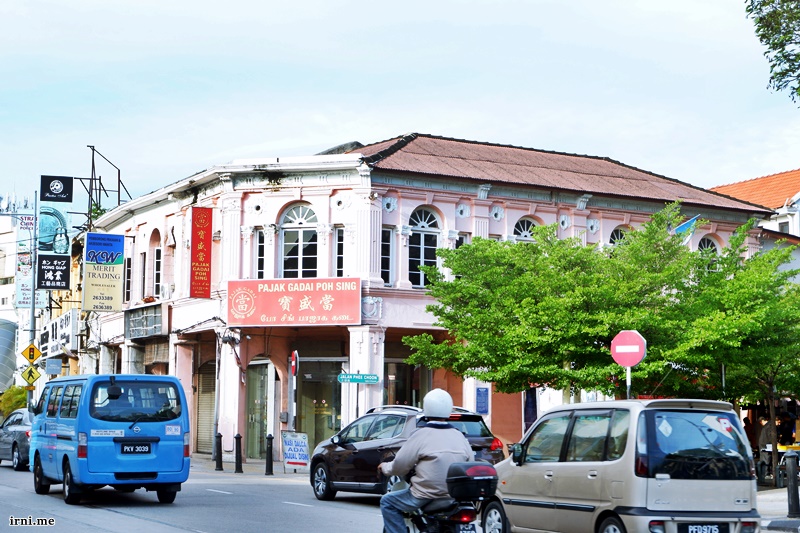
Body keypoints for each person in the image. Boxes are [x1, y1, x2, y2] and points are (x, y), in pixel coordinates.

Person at [378, 388, 474, 533]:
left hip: (424, 494)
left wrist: (385, 467)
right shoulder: (459, 436)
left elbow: (400, 465)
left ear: (426, 408)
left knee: (387, 502)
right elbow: (470, 463)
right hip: (454, 495)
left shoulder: (421, 435)